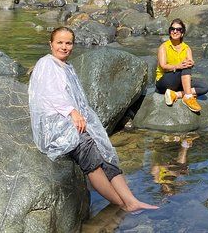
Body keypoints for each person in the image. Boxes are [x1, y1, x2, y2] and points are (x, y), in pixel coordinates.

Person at [28, 27, 157, 213]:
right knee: (89, 152)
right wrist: (72, 112)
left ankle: (131, 200)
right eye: (60, 42)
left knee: (104, 151)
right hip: (57, 125)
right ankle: (121, 205)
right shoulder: (47, 63)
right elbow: (50, 94)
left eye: (68, 43)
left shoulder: (67, 67)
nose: (64, 47)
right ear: (51, 44)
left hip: (71, 120)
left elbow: (78, 99)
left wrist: (85, 120)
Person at [155, 19, 208, 112]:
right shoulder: (164, 47)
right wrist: (178, 66)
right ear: (170, 31)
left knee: (204, 87)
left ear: (182, 33)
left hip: (179, 82)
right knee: (185, 66)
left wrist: (191, 63)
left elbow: (190, 63)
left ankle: (176, 95)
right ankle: (188, 97)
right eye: (172, 29)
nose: (175, 31)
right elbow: (163, 66)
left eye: (178, 29)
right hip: (164, 81)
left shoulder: (187, 48)